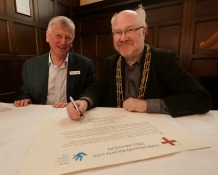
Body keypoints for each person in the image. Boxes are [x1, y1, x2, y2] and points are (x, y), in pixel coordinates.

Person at [66, 6, 212, 119]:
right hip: (118, 131)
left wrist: (147, 105)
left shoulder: (164, 59)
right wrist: (84, 102)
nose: (123, 38)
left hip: (156, 133)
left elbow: (201, 99)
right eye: (117, 32)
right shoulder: (111, 62)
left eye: (130, 30)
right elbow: (98, 89)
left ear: (144, 32)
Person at [14, 16, 96, 108]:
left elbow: (92, 92)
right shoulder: (30, 66)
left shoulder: (85, 64)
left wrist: (78, 103)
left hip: (71, 116)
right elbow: (24, 94)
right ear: (47, 37)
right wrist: (25, 99)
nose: (63, 42)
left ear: (72, 41)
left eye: (68, 37)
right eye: (58, 36)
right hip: (40, 117)